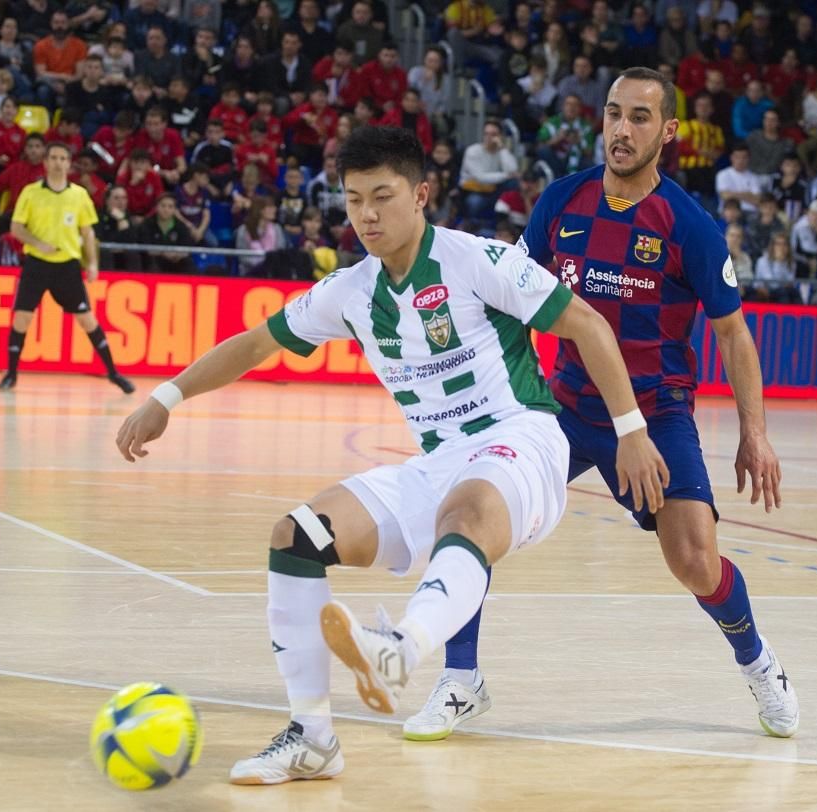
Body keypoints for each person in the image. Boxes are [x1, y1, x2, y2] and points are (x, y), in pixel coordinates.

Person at [114, 124, 667, 785]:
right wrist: (167, 397)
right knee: (295, 536)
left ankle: (401, 650)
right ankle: (311, 738)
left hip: (522, 439)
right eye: (353, 201)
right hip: (436, 462)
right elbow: (256, 342)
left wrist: (631, 429)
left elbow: (587, 323)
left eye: (382, 196)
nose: (367, 215)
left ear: (422, 194)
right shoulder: (351, 292)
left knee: (464, 516)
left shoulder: (477, 260)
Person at [406, 67, 799, 744]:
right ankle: (461, 680)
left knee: (694, 561)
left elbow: (733, 333)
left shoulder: (689, 227)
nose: (621, 129)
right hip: (565, 409)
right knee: (471, 513)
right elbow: (512, 297)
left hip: (656, 417)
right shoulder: (562, 201)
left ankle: (759, 664)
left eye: (640, 118)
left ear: (669, 131)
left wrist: (754, 434)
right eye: (614, 113)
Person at [0, 142, 134, 393]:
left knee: (87, 320)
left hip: (67, 267)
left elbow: (87, 231)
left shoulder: (79, 195)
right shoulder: (31, 192)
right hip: (37, 264)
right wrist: (39, 244)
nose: (58, 162)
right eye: (54, 158)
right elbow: (17, 228)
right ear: (46, 163)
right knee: (22, 318)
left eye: (63, 158)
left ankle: (114, 373)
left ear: (69, 164)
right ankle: (11, 374)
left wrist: (92, 263)